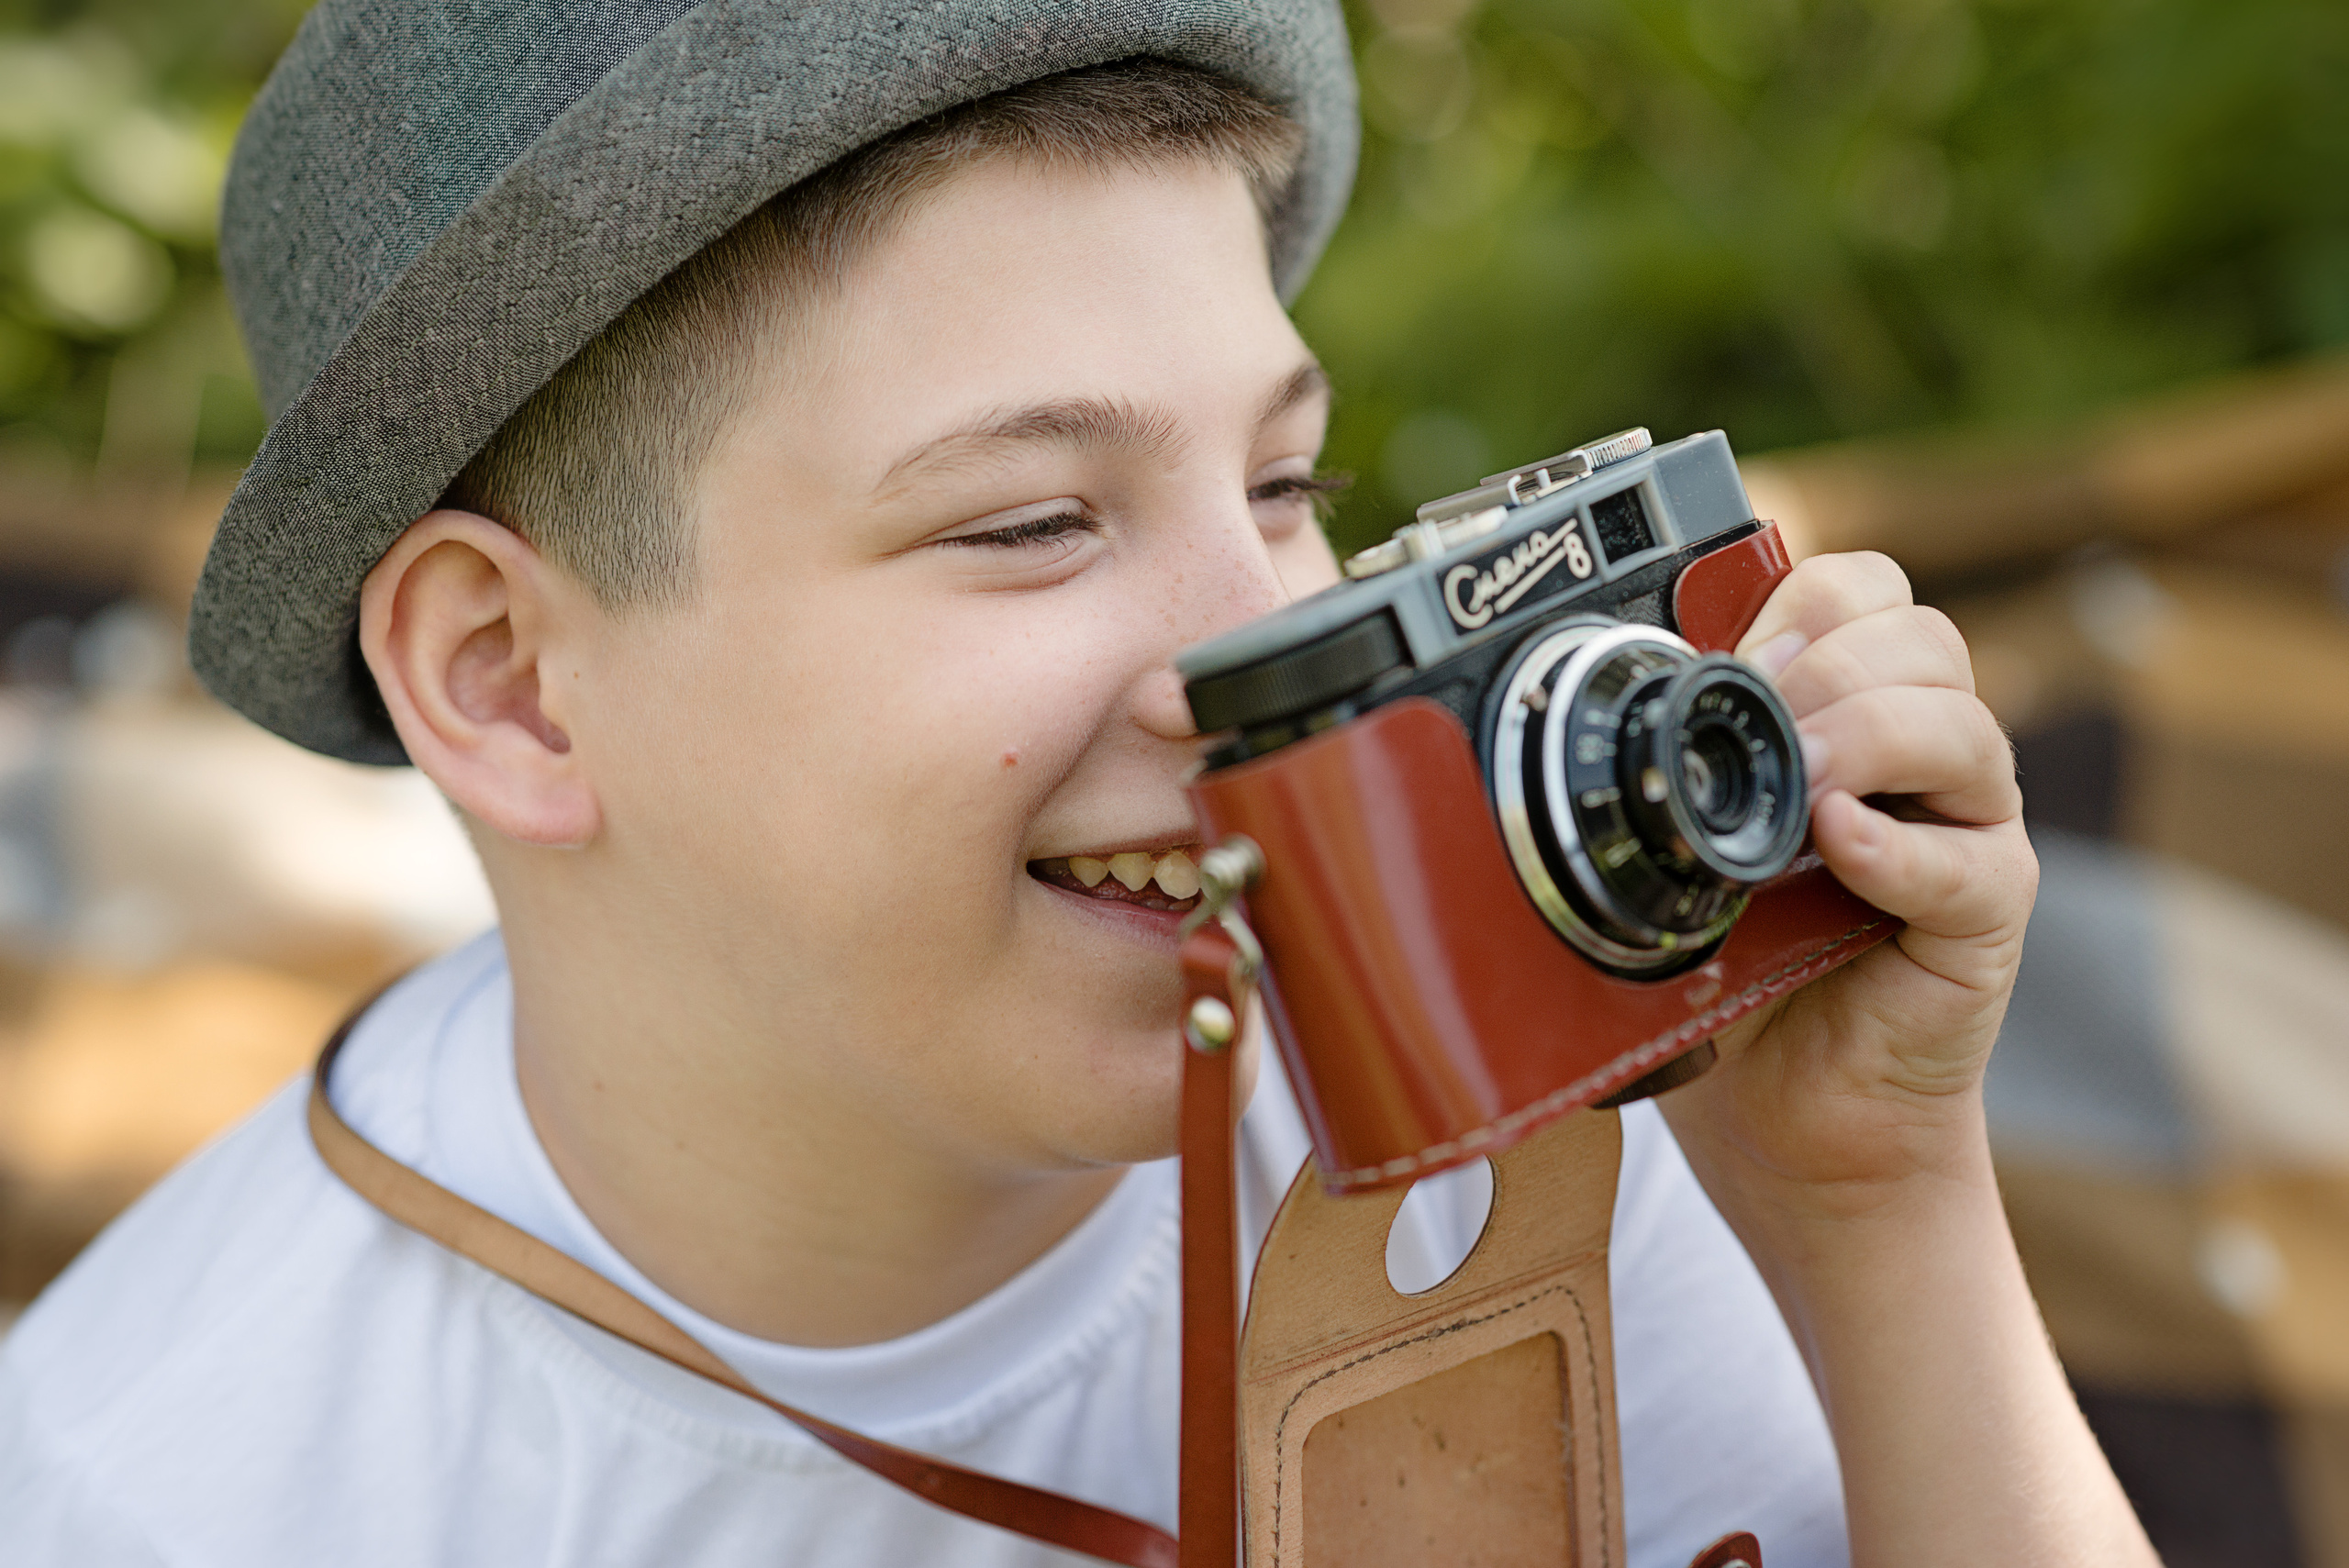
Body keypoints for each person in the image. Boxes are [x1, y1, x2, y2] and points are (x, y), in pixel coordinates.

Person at [0, 4, 2153, 1564]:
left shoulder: (1498, 1085)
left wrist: (1879, 1212)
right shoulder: (154, 1494)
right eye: (1029, 520)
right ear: (512, 685)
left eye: (1286, 481)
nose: (1248, 657)